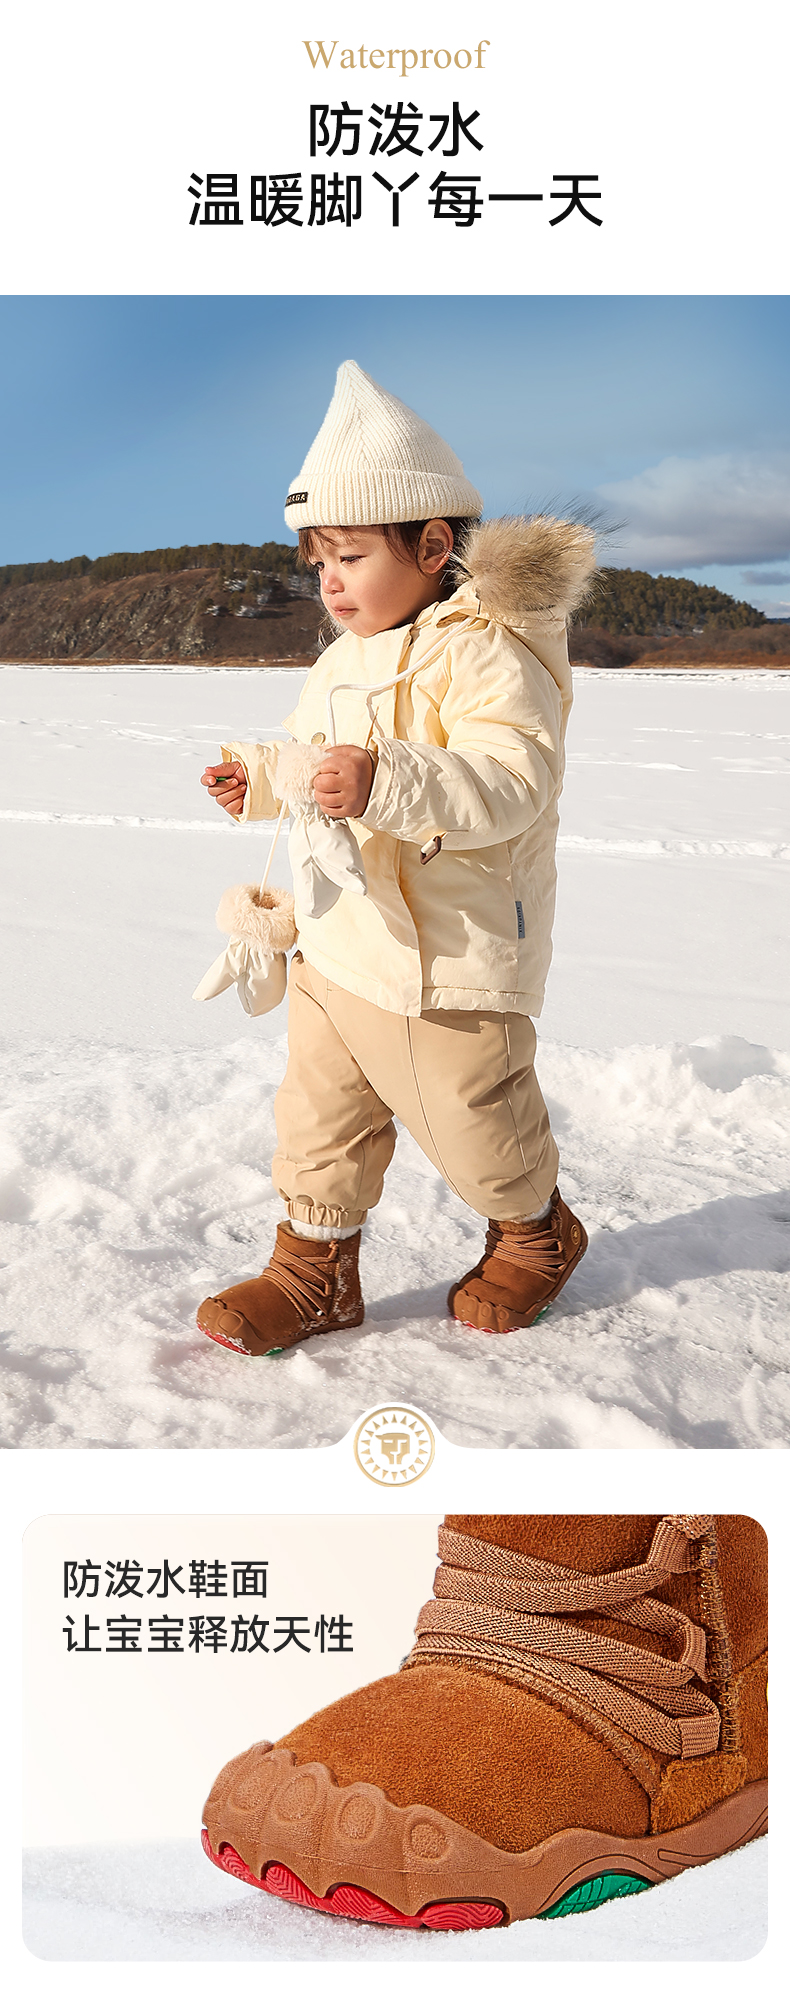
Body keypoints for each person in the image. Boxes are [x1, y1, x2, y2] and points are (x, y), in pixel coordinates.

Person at [196, 360, 592, 1356]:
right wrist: (262, 779)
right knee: (318, 1116)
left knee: (474, 1115)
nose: (328, 581)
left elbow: (512, 778)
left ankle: (534, 1230)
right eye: (317, 562)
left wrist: (384, 781)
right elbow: (315, 758)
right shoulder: (342, 656)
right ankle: (314, 1269)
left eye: (350, 555)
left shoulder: (486, 649)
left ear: (431, 545)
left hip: (446, 949)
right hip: (339, 937)